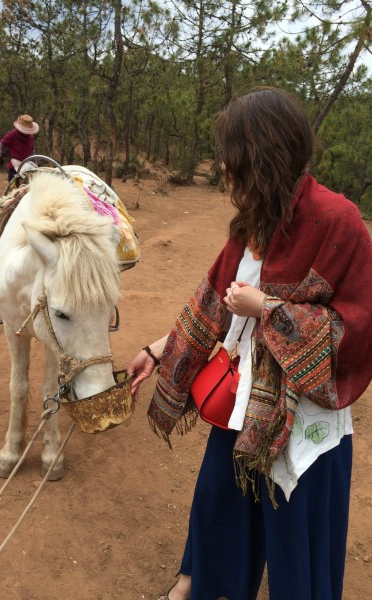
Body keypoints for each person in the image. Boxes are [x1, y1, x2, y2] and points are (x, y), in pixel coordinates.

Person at [128, 88, 372, 600]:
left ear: (262, 157)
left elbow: (357, 329)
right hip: (243, 401)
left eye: (231, 155)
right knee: (219, 500)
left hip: (303, 418)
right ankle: (197, 583)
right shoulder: (255, 221)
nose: (223, 167)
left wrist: (267, 309)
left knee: (294, 531)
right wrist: (157, 350)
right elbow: (214, 304)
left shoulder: (338, 219)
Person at [0, 114, 39, 181]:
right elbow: (0, 144)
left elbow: (31, 152)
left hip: (27, 166)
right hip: (14, 167)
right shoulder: (12, 135)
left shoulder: (31, 137)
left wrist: (36, 165)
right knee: (13, 186)